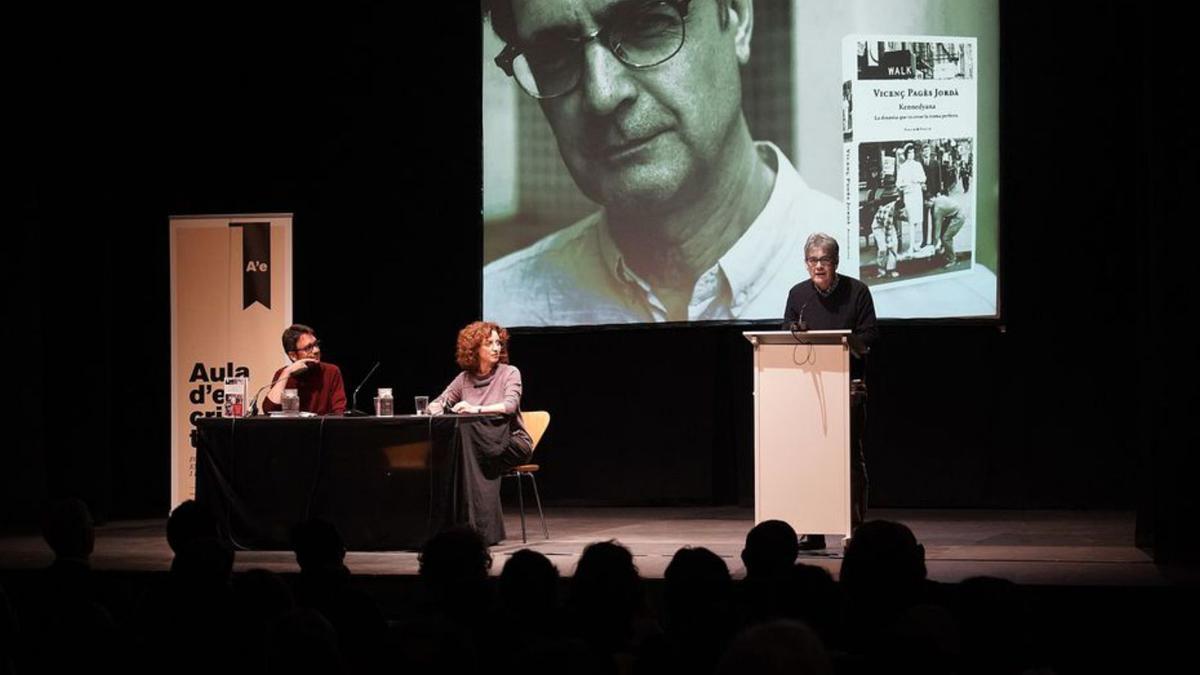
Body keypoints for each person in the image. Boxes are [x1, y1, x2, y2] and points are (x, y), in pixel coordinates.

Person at [483, 0, 841, 326]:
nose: (602, 94)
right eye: (553, 55)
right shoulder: (499, 313)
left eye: (647, 24)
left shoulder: (883, 289)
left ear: (738, 17)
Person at [782, 233, 878, 550]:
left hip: (849, 388)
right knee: (810, 459)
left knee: (851, 459)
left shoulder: (858, 292)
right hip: (809, 391)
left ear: (835, 262)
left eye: (824, 260)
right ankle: (813, 530)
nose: (818, 266)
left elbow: (869, 337)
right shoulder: (799, 294)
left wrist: (845, 345)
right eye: (812, 260)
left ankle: (856, 529)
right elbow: (786, 333)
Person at [428, 321, 534, 544]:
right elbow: (437, 404)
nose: (496, 348)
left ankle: (478, 531)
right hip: (481, 446)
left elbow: (509, 406)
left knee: (470, 454)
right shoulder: (464, 378)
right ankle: (465, 529)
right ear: (474, 349)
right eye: (489, 343)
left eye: (498, 343)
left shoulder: (509, 373)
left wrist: (475, 409)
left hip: (512, 442)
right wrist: (438, 407)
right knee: (465, 451)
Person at [261, 324, 347, 415]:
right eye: (309, 348)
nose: (316, 350)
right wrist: (287, 372)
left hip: (322, 428)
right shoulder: (283, 375)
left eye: (316, 344)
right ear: (293, 356)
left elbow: (339, 411)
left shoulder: (331, 371)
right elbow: (269, 409)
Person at [895, 143, 927, 258]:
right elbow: (898, 183)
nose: (911, 155)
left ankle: (913, 245)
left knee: (917, 220)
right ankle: (911, 247)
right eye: (909, 153)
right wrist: (905, 184)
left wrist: (916, 180)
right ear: (906, 154)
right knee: (911, 220)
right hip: (909, 195)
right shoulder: (903, 167)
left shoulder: (918, 165)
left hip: (917, 194)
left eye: (913, 152)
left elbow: (923, 178)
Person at [870, 197, 907, 278]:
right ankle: (881, 268)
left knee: (894, 245)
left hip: (887, 225)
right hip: (878, 226)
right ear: (896, 209)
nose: (901, 212)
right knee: (883, 248)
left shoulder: (898, 205)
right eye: (900, 211)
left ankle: (891, 269)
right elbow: (888, 232)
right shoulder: (888, 214)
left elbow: (900, 216)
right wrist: (889, 243)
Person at [928, 194, 966, 269]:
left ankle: (952, 259)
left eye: (926, 204)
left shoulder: (937, 208)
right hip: (952, 215)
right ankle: (946, 253)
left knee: (946, 238)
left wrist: (934, 246)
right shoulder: (938, 199)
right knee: (943, 235)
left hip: (958, 217)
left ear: (930, 200)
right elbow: (934, 226)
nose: (926, 207)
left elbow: (937, 230)